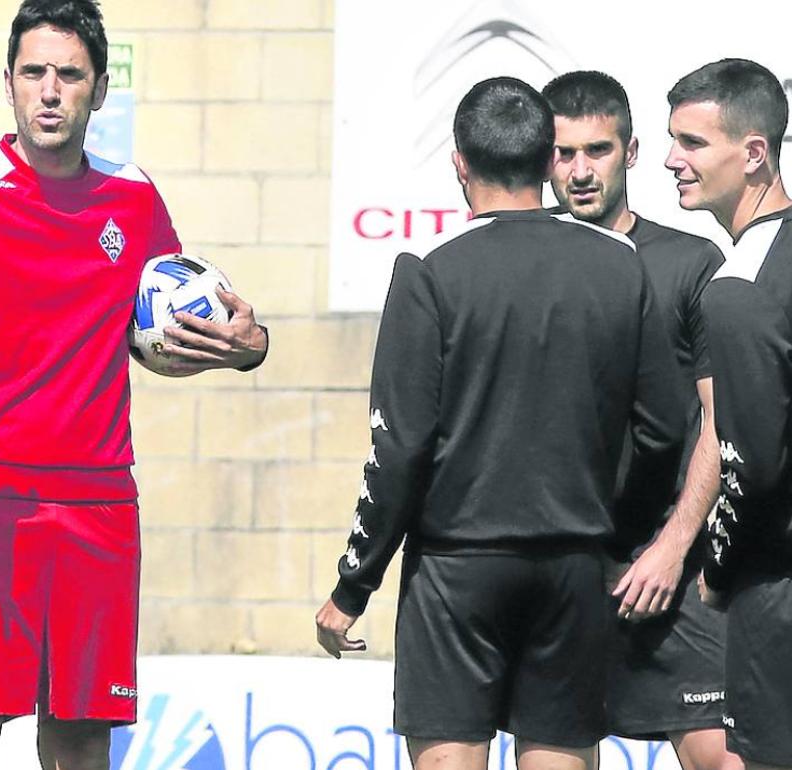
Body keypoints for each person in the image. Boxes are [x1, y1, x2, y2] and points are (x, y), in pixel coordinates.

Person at [0, 1, 268, 768]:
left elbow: (169, 319)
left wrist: (248, 346)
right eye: (34, 73)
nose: (50, 90)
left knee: (81, 735)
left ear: (98, 90)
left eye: (69, 74)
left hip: (96, 500)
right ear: (8, 84)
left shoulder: (132, 199)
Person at [315, 76, 685, 770]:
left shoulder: (427, 270)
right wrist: (617, 535)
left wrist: (352, 584)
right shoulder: (620, 263)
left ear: (459, 162)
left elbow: (400, 447)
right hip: (575, 565)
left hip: (457, 570)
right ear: (551, 160)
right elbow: (664, 428)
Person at [543, 70, 740, 770]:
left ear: (629, 153)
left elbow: (723, 422)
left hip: (671, 572)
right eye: (563, 155)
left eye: (596, 151)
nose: (579, 171)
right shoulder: (526, 267)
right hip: (562, 576)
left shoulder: (691, 264)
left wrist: (672, 546)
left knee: (724, 759)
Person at [666, 57, 792, 769]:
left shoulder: (738, 284)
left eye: (691, 143)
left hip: (775, 588)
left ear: (754, 154)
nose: (670, 160)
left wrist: (719, 567)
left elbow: (754, 460)